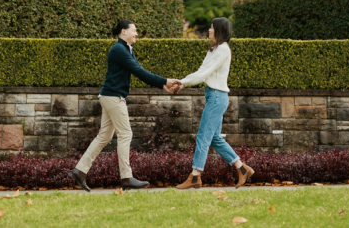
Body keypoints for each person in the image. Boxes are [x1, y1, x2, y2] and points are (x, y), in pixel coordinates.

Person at [69, 20, 181, 192]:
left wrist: (161, 85)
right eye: (134, 30)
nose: (136, 34)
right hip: (113, 97)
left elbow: (138, 69)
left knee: (104, 136)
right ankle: (126, 178)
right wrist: (164, 80)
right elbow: (139, 71)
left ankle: (80, 170)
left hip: (110, 95)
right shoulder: (118, 50)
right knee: (125, 133)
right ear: (123, 31)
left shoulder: (126, 49)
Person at [175, 17, 254, 189]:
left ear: (218, 30)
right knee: (215, 138)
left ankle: (195, 176)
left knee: (203, 135)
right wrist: (184, 81)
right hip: (214, 96)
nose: (209, 30)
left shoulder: (223, 50)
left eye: (212, 28)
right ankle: (241, 169)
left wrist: (183, 82)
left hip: (217, 97)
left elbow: (205, 73)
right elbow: (201, 71)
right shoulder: (215, 49)